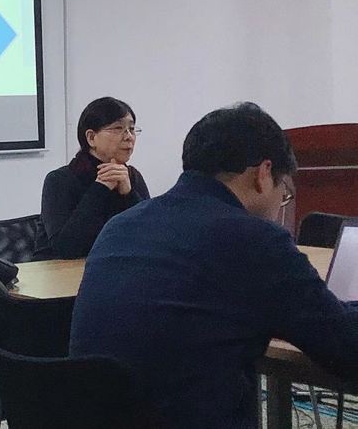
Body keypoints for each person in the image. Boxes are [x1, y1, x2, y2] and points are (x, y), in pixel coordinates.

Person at [69, 102, 358, 429]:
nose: (280, 205)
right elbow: (345, 346)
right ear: (264, 174)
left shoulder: (121, 225)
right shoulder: (253, 239)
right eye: (285, 193)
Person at [33, 97, 149, 259]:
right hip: (61, 271)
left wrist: (129, 195)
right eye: (118, 128)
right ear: (91, 138)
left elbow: (151, 237)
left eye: (131, 129)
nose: (129, 136)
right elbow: (65, 248)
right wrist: (101, 188)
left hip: (116, 267)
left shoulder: (131, 177)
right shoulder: (60, 180)